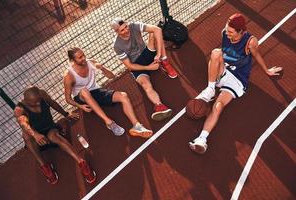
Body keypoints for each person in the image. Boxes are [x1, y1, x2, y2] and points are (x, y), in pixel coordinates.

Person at [189, 13, 283, 154]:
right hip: (224, 70)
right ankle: (210, 88)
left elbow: (256, 55)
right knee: (215, 53)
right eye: (227, 30)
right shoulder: (225, 34)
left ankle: (202, 139)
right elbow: (221, 55)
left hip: (237, 80)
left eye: (231, 32)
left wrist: (267, 70)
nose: (227, 33)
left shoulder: (250, 42)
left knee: (218, 106)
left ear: (241, 31)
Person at [64, 47, 153, 138]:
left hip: (95, 91)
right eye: (80, 57)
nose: (83, 58)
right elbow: (68, 99)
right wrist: (80, 106)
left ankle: (137, 126)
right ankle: (109, 122)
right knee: (84, 91)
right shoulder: (69, 75)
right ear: (72, 60)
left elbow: (111, 76)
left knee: (123, 96)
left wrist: (102, 68)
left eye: (83, 55)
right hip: (81, 97)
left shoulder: (90, 62)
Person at [14, 86, 96, 184]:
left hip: (50, 129)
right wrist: (35, 135)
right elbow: (24, 124)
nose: (38, 103)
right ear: (26, 100)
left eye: (39, 100)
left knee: (53, 136)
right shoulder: (19, 109)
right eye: (34, 102)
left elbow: (52, 103)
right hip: (37, 138)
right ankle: (45, 168)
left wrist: (65, 114)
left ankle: (81, 163)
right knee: (26, 135)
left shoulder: (42, 94)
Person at [111, 18, 177, 121]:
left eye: (126, 26)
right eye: (122, 30)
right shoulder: (117, 45)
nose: (126, 30)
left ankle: (164, 61)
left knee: (154, 32)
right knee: (146, 85)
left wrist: (159, 54)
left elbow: (157, 30)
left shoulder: (134, 26)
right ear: (116, 32)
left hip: (147, 53)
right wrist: (149, 67)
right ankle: (159, 106)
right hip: (137, 65)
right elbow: (129, 66)